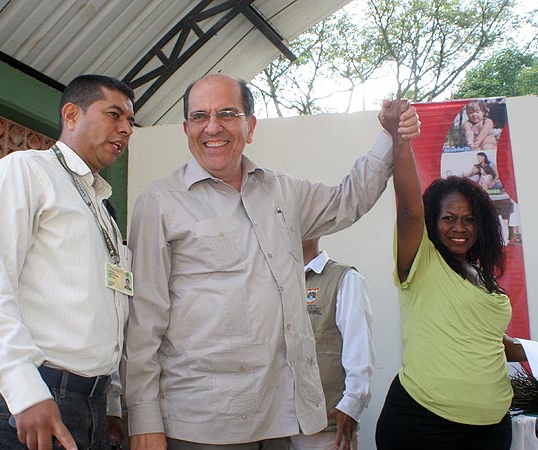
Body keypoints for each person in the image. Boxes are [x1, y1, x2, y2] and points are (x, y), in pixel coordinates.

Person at [123, 73, 420, 450]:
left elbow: (348, 200)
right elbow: (143, 319)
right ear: (186, 129)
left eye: (227, 114)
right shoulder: (159, 202)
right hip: (202, 425)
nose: (212, 127)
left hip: (280, 418)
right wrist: (143, 418)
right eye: (199, 116)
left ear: (250, 126)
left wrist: (390, 136)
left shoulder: (282, 191)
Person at [0, 74, 135, 450]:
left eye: (130, 121)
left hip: (92, 405)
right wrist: (24, 391)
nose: (126, 128)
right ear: (71, 115)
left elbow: (108, 309)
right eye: (114, 114)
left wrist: (110, 403)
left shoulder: (103, 209)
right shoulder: (25, 171)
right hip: (30, 399)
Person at [375, 99, 526, 450]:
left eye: (469, 219)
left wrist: (535, 352)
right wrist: (400, 140)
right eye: (449, 218)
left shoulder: (480, 276)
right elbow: (409, 209)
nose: (460, 227)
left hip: (491, 427)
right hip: (424, 424)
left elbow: (487, 340)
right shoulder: (420, 260)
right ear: (433, 221)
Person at [290, 238, 374, 450]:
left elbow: (359, 348)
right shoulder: (273, 282)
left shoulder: (344, 278)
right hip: (277, 428)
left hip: (326, 429)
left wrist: (351, 405)